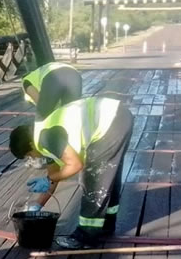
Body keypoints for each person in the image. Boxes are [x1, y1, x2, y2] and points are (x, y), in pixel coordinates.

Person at [9, 96, 133, 247]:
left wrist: (48, 180)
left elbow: (75, 165)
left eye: (29, 155)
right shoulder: (42, 140)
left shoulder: (46, 138)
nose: (32, 159)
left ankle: (86, 236)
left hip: (111, 121)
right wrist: (37, 205)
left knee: (93, 179)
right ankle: (106, 226)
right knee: (108, 177)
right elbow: (54, 176)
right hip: (118, 116)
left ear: (30, 145)